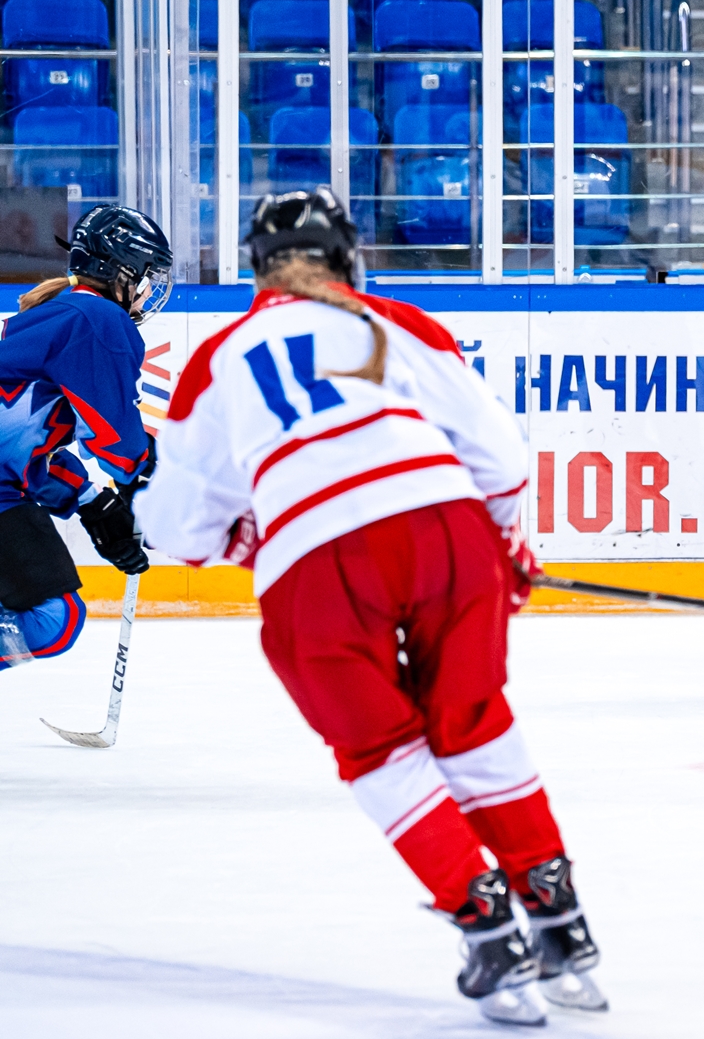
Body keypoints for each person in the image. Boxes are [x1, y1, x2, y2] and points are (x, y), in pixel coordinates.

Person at [136, 189, 603, 1027]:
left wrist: (246, 537)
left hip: (312, 565)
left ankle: (487, 926)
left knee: (381, 750)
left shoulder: (221, 355)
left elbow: (174, 527)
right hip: (443, 526)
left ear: (258, 267)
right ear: (347, 256)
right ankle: (560, 919)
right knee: (474, 718)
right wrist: (501, 547)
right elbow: (500, 456)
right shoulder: (394, 322)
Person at [0, 205, 168, 671]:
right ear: (117, 269)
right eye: (146, 275)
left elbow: (25, 451)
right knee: (51, 618)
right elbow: (114, 434)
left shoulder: (63, 315)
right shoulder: (97, 319)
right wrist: (139, 483)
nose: (149, 290)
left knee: (55, 617)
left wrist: (94, 503)